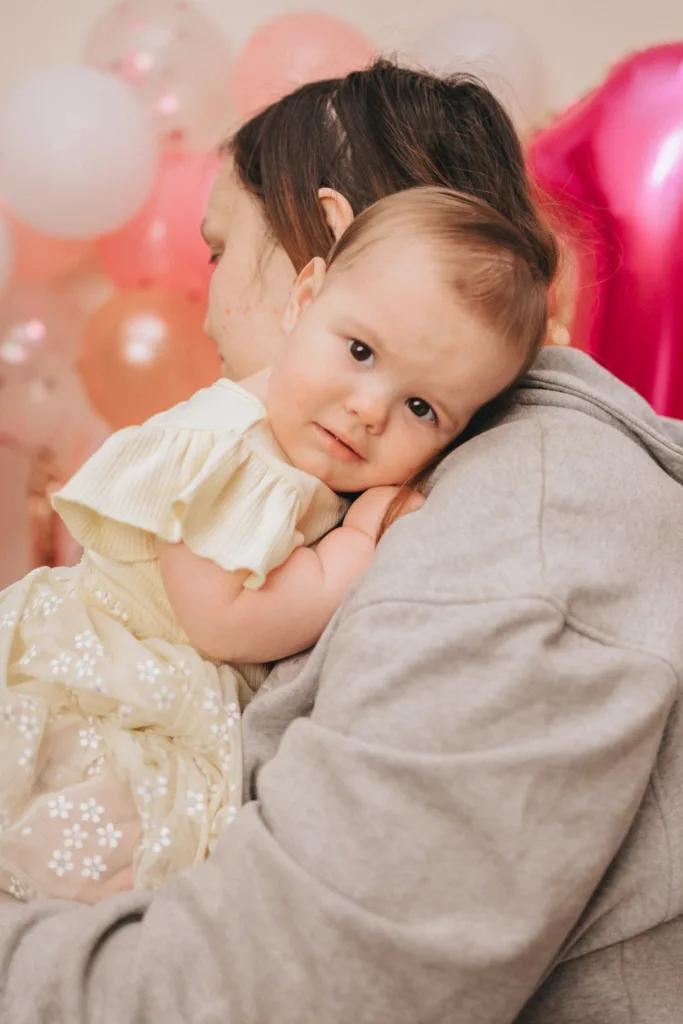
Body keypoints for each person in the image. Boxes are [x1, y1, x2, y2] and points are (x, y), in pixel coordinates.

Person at [0, 59, 681, 1024]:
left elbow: (273, 997)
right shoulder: (413, 488)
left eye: (218, 252)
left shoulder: (517, 542)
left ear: (315, 249)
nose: (202, 306)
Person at [0, 186, 556, 903]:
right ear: (304, 298)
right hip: (106, 682)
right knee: (86, 842)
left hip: (143, 680)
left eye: (420, 407)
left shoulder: (296, 450)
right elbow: (222, 621)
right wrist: (353, 548)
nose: (367, 409)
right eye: (359, 350)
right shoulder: (231, 449)